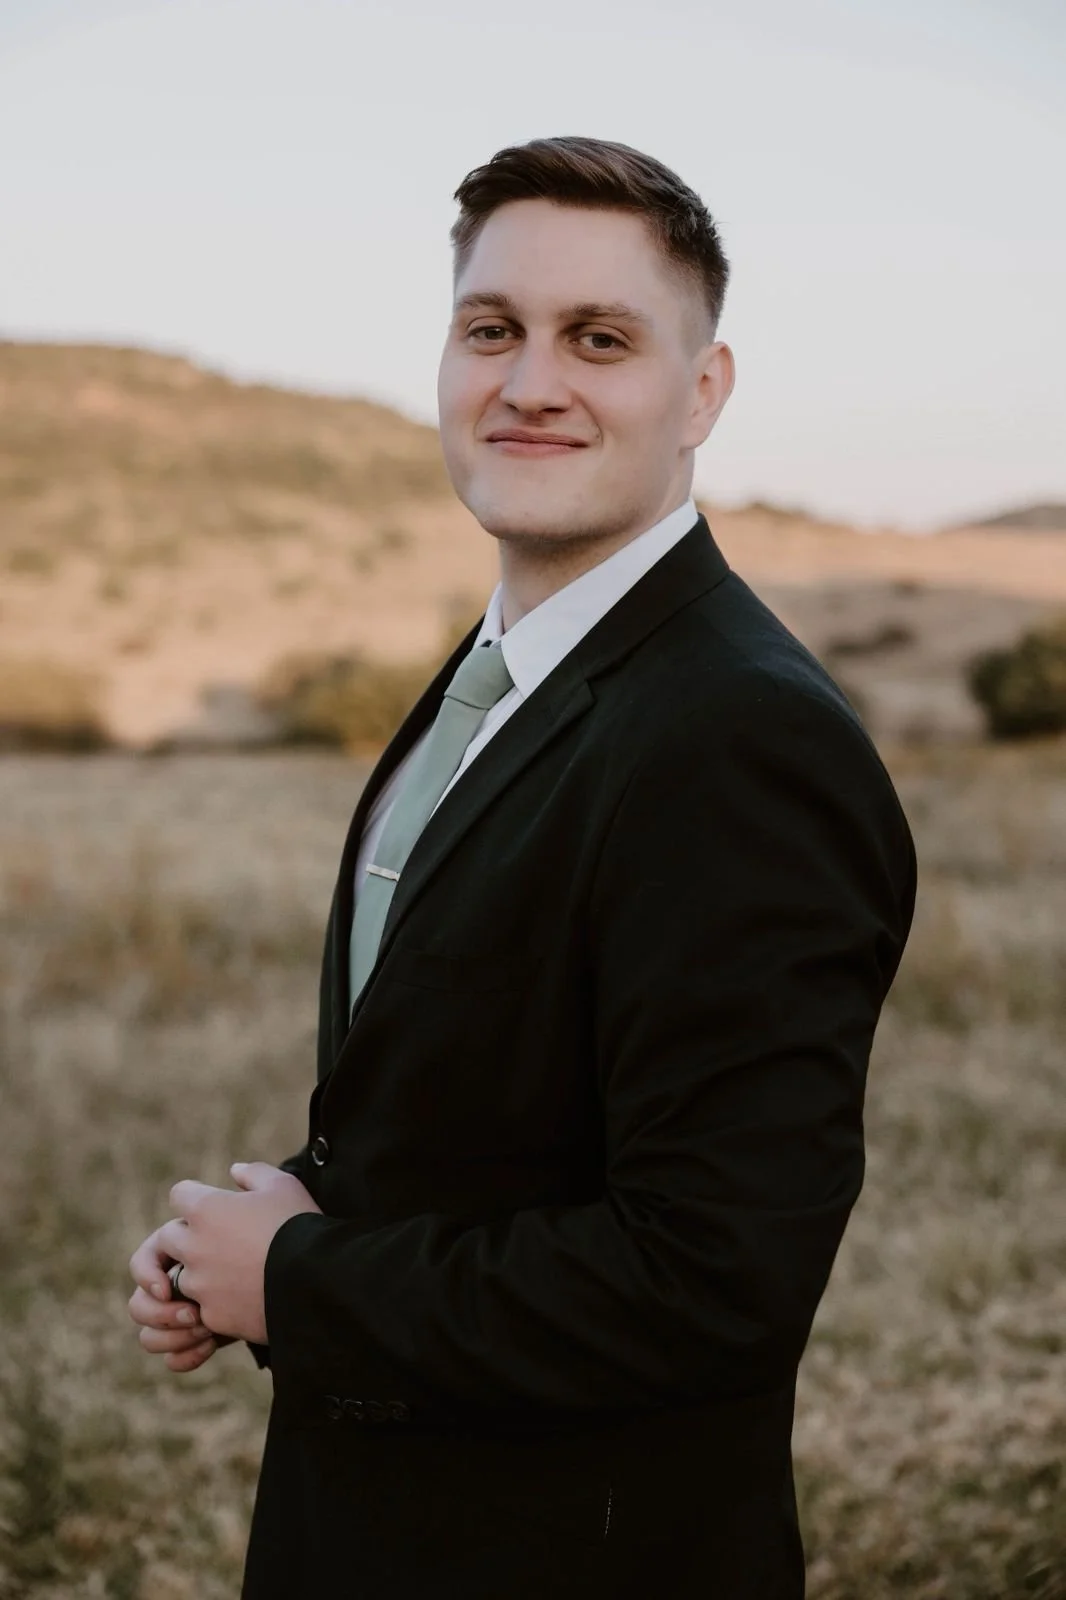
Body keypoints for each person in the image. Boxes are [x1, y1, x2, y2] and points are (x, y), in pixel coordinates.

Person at [128, 135, 916, 1599]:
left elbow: (713, 1280)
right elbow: (489, 1103)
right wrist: (256, 1228)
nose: (529, 381)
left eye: (598, 339)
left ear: (702, 393)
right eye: (490, 329)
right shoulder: (504, 673)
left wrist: (301, 1284)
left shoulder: (738, 737)